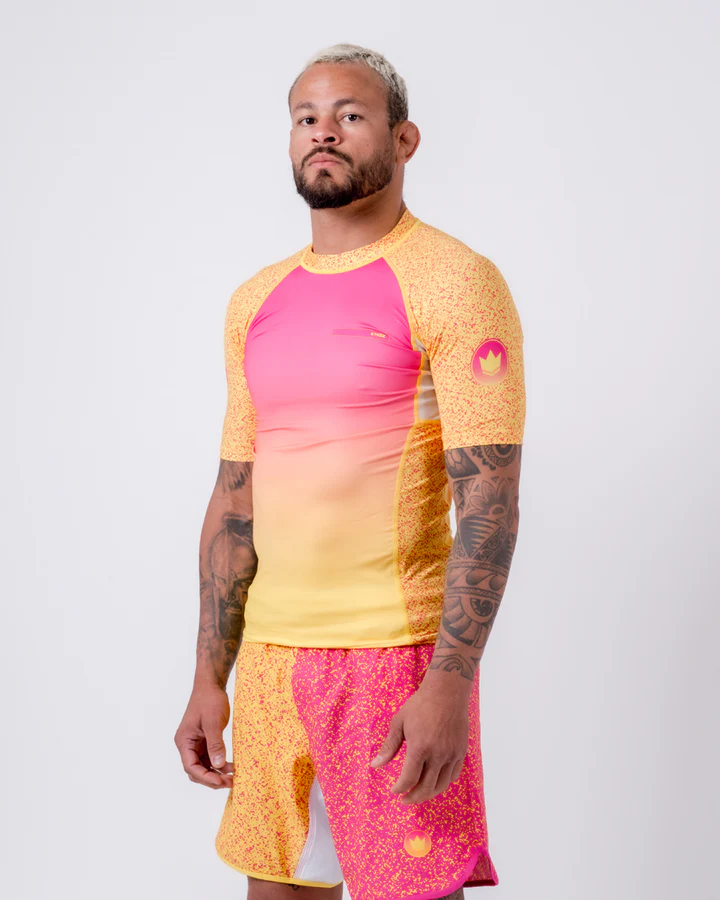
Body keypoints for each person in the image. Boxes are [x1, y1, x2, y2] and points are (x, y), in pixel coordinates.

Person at [174, 42, 525, 900]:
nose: (323, 132)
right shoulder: (254, 300)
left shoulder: (455, 282)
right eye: (306, 117)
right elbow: (235, 497)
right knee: (278, 888)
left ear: (405, 141)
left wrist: (450, 683)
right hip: (270, 664)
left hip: (394, 662)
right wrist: (207, 679)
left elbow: (490, 500)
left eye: (350, 115)